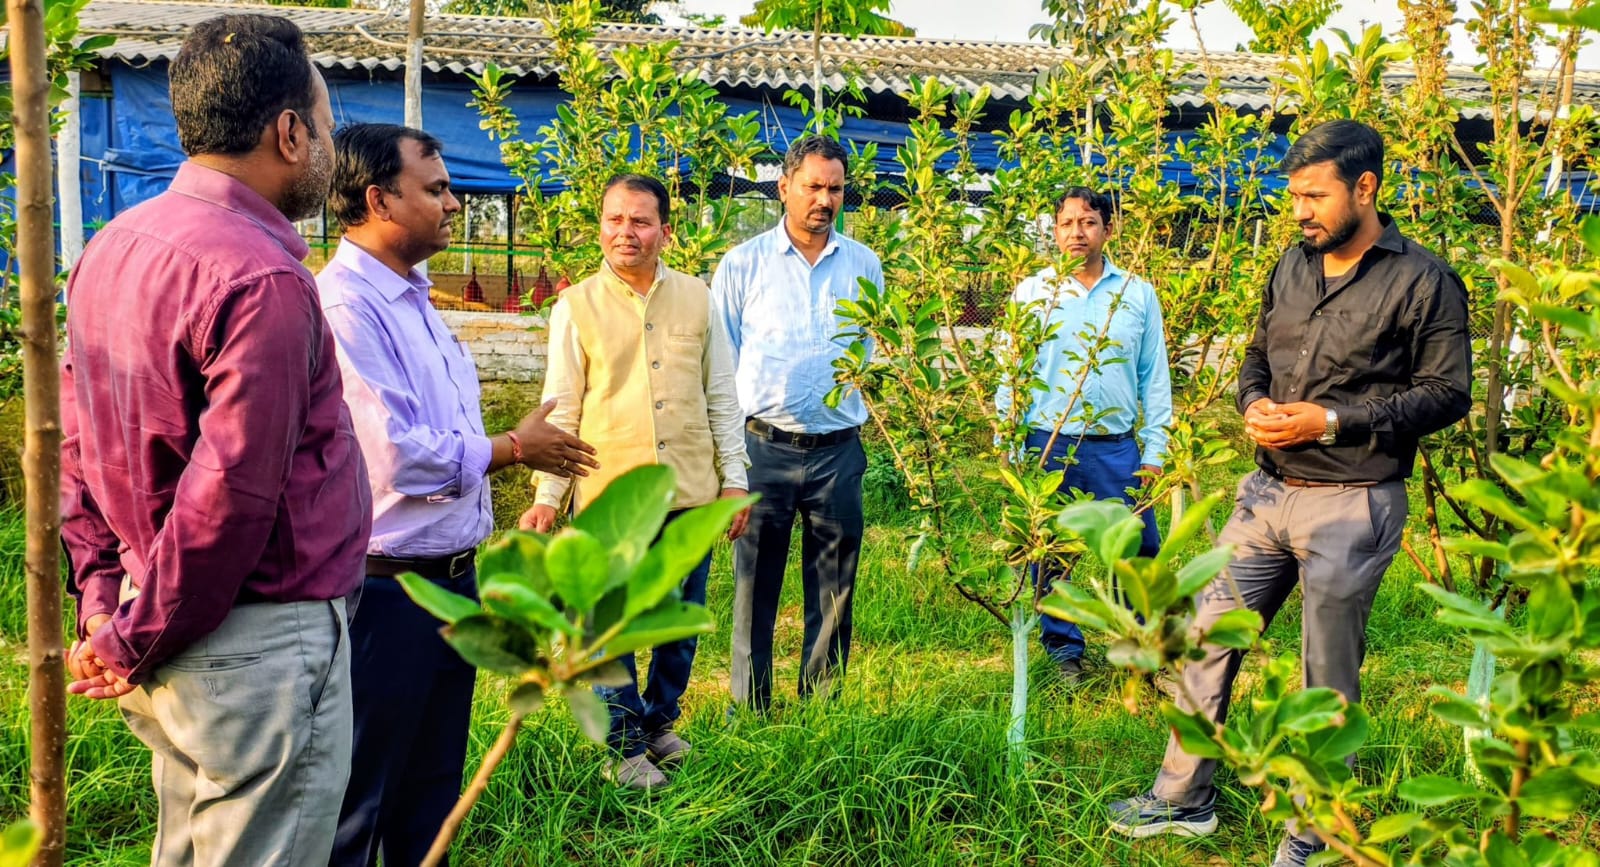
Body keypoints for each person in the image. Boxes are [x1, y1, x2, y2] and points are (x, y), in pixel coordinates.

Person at [1106, 119, 1472, 867]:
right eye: (1293, 196)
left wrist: (1333, 419)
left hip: (1354, 499)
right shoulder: (1292, 265)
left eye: (1314, 195)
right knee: (1206, 634)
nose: (1300, 210)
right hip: (1266, 493)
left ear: (1365, 188)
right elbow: (1253, 354)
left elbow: (1447, 392)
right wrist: (1252, 405)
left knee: (1324, 673)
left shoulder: (1423, 281)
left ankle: (1314, 832)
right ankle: (1183, 800)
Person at [58, 14, 372, 865]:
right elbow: (226, 496)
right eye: (327, 123)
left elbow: (76, 447)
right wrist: (131, 633)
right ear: (290, 131)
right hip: (252, 643)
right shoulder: (263, 276)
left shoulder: (112, 247)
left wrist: (103, 603)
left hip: (166, 625)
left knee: (193, 846)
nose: (329, 145)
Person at [318, 124, 598, 865]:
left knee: (432, 791)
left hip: (450, 582)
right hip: (387, 592)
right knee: (364, 796)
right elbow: (396, 457)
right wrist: (513, 449)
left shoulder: (414, 299)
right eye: (435, 189)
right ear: (379, 199)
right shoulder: (348, 308)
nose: (453, 202)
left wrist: (512, 440)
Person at [518, 173, 750, 790]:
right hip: (609, 501)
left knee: (678, 620)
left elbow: (721, 396)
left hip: (689, 493)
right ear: (600, 226)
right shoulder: (576, 306)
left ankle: (659, 725)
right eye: (615, 219)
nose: (626, 232)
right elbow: (560, 407)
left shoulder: (698, 299)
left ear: (665, 232)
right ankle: (622, 747)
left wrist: (734, 481)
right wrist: (547, 497)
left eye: (640, 221)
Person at [710, 134, 884, 713]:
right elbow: (722, 366)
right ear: (784, 187)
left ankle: (822, 710)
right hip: (763, 449)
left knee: (835, 587)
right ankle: (749, 712)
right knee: (753, 585)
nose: (824, 199)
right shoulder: (742, 265)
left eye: (835, 189)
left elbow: (869, 353)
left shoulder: (865, 266)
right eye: (812, 186)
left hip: (837, 451)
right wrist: (728, 463)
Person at [997, 186, 1172, 685]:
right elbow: (1011, 371)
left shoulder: (1136, 293)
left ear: (1108, 229)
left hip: (1117, 448)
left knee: (1137, 551)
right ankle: (1064, 653)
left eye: (1088, 222)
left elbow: (1153, 377)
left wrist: (1155, 450)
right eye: (1067, 223)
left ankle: (1144, 652)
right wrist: (1009, 443)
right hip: (1047, 444)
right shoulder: (1032, 294)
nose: (1077, 232)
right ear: (1054, 231)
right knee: (1051, 554)